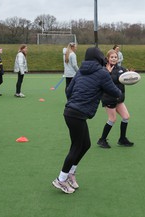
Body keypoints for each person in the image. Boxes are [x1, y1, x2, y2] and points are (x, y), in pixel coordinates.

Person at [52, 47, 122, 194]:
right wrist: (120, 83)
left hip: (71, 112)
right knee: (77, 146)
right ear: (99, 58)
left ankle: (70, 173)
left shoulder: (80, 72)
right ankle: (61, 179)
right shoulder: (103, 73)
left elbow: (68, 91)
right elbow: (115, 92)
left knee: (86, 144)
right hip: (76, 114)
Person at [97, 49, 134, 148]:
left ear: (118, 58)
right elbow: (103, 83)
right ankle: (102, 140)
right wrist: (108, 73)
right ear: (108, 58)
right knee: (112, 119)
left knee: (126, 117)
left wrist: (131, 74)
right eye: (112, 57)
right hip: (108, 98)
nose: (114, 59)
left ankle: (122, 139)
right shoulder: (103, 69)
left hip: (119, 98)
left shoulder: (121, 69)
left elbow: (127, 78)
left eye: (115, 57)